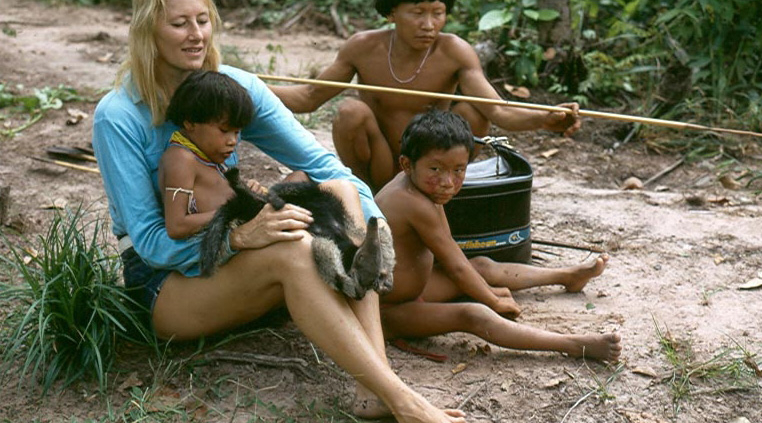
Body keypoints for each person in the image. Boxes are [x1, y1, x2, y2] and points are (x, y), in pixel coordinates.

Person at [91, 0, 467, 421]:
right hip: (167, 284)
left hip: (239, 257)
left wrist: (366, 234)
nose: (196, 34)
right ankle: (405, 401)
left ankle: (372, 385)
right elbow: (150, 245)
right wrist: (237, 239)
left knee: (338, 191)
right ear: (148, 34)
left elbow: (330, 170)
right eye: (179, 24)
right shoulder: (118, 117)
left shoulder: (232, 87)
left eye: (203, 21)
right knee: (294, 250)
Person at [375, 109, 622, 362]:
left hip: (417, 289)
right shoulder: (411, 202)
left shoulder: (423, 189)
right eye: (435, 169)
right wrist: (491, 299)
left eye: (459, 170)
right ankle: (572, 345)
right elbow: (456, 267)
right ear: (406, 164)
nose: (448, 181)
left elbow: (456, 258)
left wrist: (485, 289)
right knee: (474, 314)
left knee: (482, 265)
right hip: (388, 311)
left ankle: (568, 276)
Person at [269, 0, 581, 192]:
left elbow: (499, 112)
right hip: (379, 164)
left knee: (475, 110)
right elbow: (308, 97)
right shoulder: (362, 47)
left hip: (429, 163)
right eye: (417, 12)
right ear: (392, 12)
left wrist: (544, 118)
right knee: (350, 110)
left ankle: (444, 189)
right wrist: (246, 82)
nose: (428, 24)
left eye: (438, 12)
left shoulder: (454, 50)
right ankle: (365, 192)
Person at [158, 70, 253, 240]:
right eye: (224, 131)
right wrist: (234, 212)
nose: (232, 141)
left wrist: (248, 193)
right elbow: (176, 226)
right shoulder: (182, 159)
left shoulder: (207, 159)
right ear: (190, 122)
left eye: (237, 132)